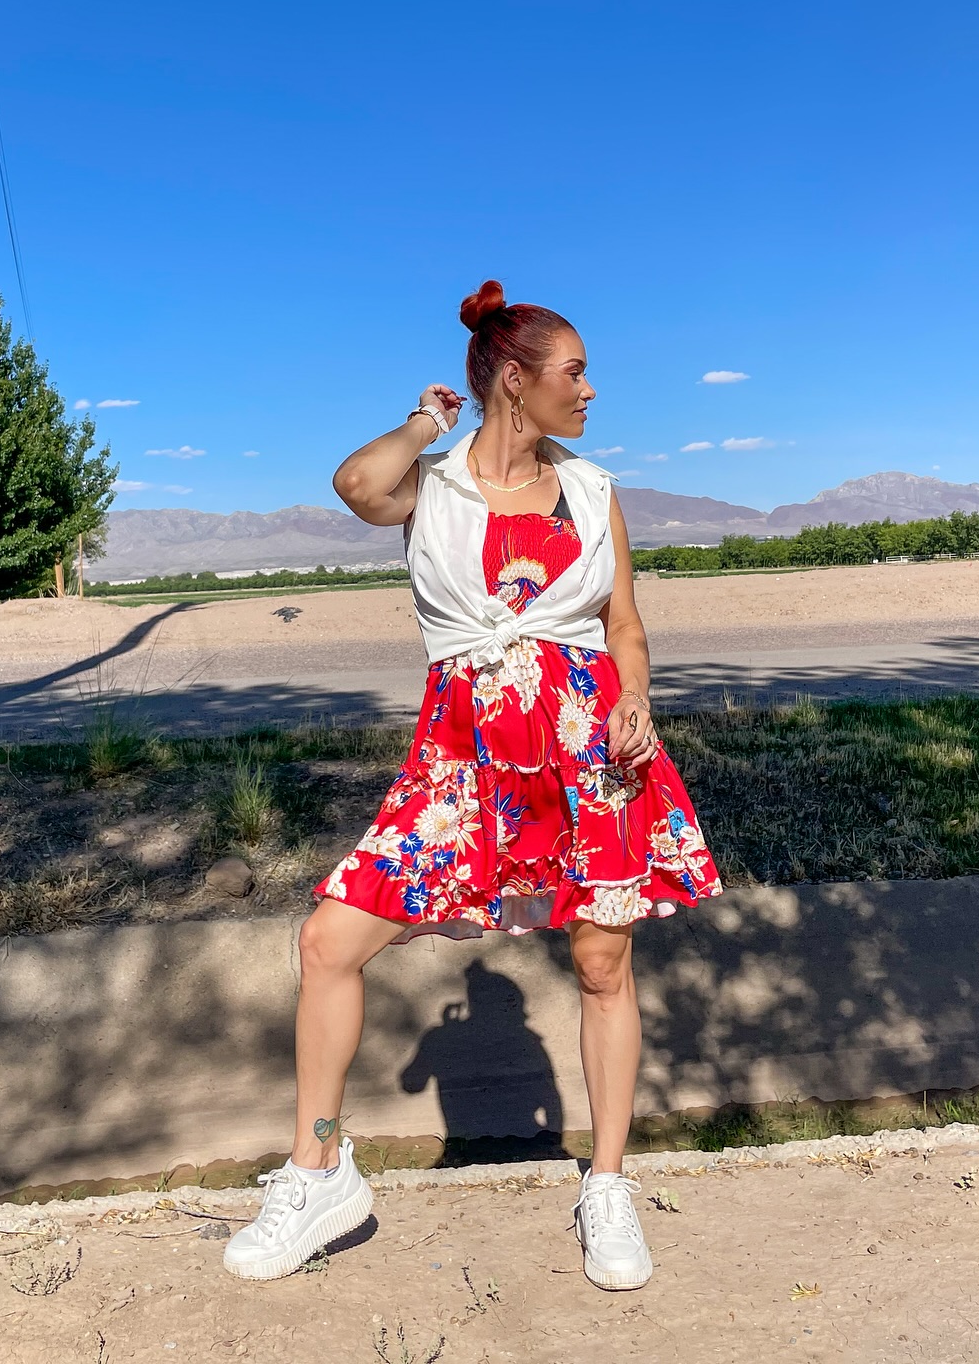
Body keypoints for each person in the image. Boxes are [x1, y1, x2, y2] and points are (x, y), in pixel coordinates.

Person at [223, 281, 722, 1290]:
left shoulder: (594, 490)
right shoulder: (434, 487)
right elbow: (359, 483)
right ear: (513, 379)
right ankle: (318, 1171)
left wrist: (639, 701)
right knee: (329, 939)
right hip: (463, 756)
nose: (590, 391)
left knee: (602, 966)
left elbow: (623, 623)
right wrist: (422, 423)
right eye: (573, 371)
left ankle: (609, 1185)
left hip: (589, 751)